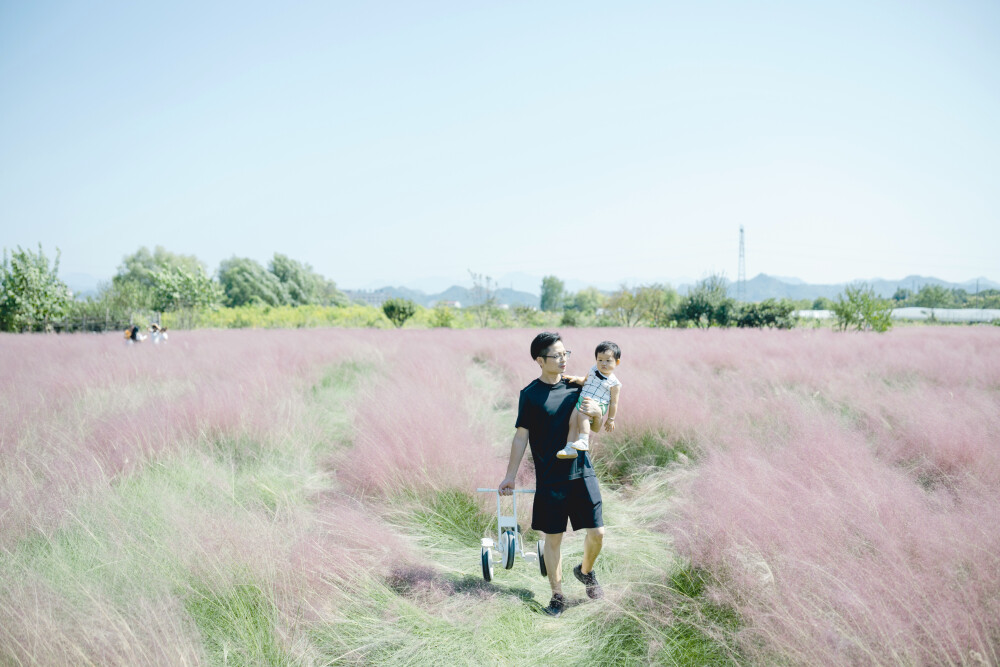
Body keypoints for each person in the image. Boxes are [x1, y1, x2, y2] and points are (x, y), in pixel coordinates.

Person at [498, 332, 606, 617]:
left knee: (598, 532)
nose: (563, 360)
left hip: (581, 472)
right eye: (557, 355)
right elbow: (521, 437)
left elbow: (594, 427)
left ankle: (585, 571)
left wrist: (597, 413)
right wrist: (510, 475)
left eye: (565, 353)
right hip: (550, 478)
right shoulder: (530, 395)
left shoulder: (575, 388)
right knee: (553, 539)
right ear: (540, 360)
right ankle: (558, 595)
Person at [556, 341, 622, 460]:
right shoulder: (593, 369)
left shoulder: (614, 383)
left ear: (617, 362)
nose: (603, 363)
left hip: (597, 404)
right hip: (583, 399)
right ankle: (570, 448)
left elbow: (614, 403)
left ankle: (584, 440)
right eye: (600, 360)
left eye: (608, 360)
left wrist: (611, 419)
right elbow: (584, 381)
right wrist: (576, 378)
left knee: (582, 415)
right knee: (573, 421)